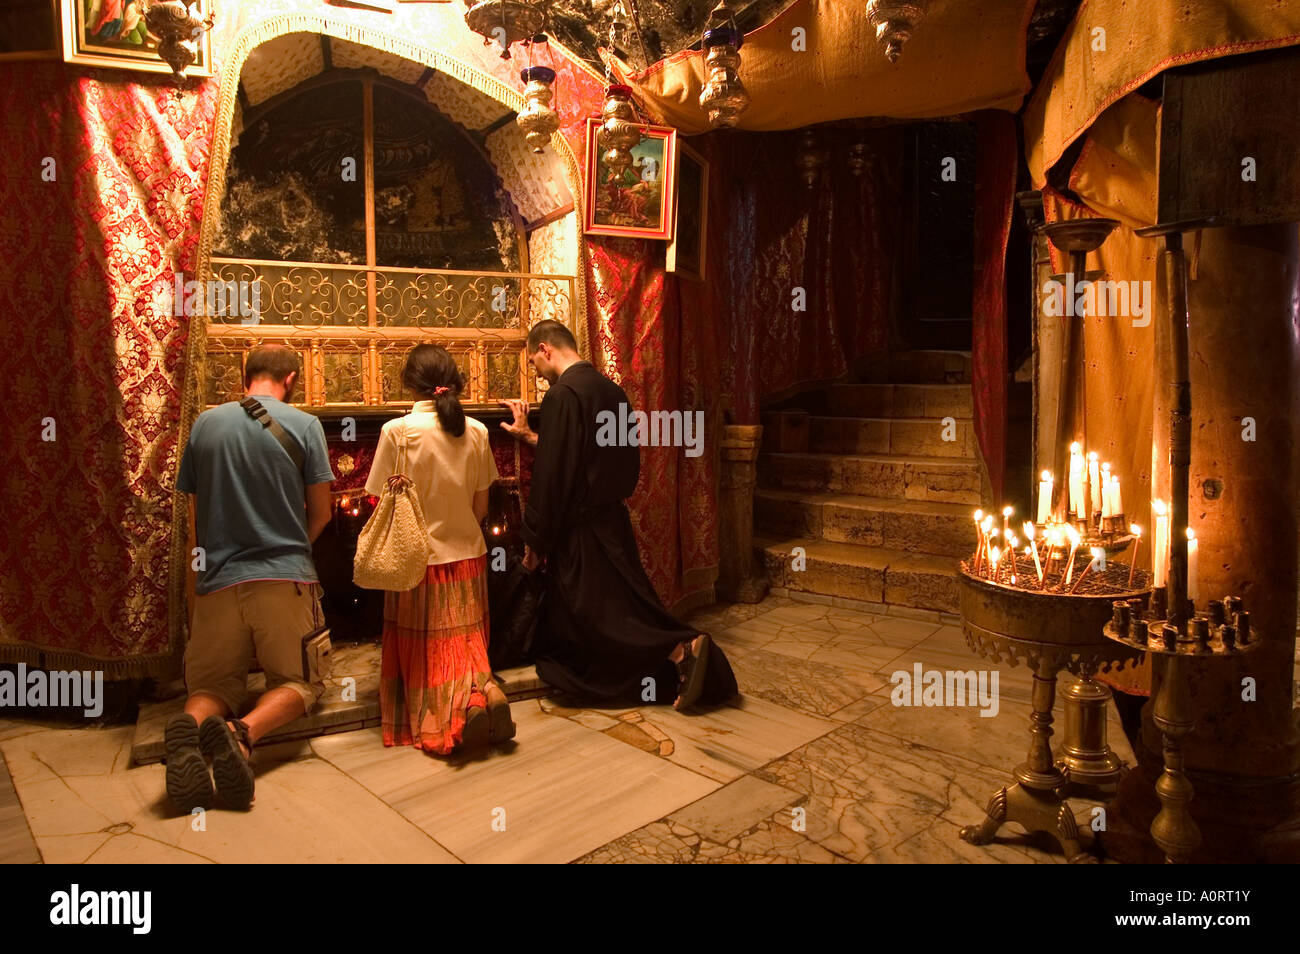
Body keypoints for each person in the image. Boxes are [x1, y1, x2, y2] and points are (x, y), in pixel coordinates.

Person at [499, 320, 737, 711]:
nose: (535, 373)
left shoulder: (561, 395)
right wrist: (532, 437)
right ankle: (684, 656)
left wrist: (536, 540)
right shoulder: (612, 391)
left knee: (603, 617)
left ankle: (680, 649)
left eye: (532, 362)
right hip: (611, 521)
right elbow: (596, 455)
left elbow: (555, 474)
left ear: (545, 349)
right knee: (625, 607)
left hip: (580, 532)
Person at [169, 344, 335, 812]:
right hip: (283, 578)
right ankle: (241, 735)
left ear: (246, 376)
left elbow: (195, 523)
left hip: (218, 581)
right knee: (305, 683)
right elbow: (321, 513)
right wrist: (289, 549)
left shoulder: (205, 424)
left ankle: (191, 731)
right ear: (292, 379)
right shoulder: (304, 425)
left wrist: (197, 588)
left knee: (213, 688)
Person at [365, 344, 514, 755]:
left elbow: (380, 500)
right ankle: (486, 692)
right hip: (469, 554)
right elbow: (482, 507)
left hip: (417, 561)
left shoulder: (397, 433)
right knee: (466, 641)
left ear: (408, 383)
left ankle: (452, 717)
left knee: (432, 650)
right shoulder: (478, 431)